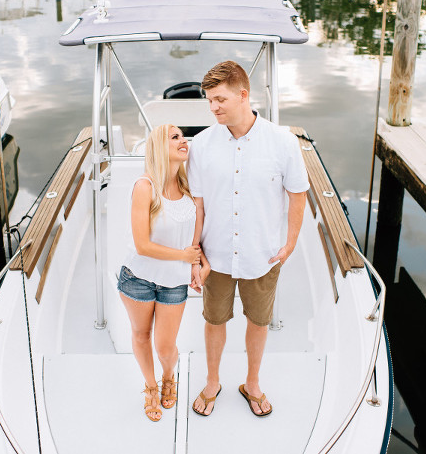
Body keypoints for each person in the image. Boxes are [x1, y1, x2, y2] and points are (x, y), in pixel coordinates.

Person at [187, 60, 309, 417]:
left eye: (220, 99)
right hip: (217, 255)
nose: (213, 107)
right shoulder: (202, 145)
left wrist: (290, 243)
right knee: (214, 321)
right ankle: (213, 381)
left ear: (244, 95)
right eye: (209, 100)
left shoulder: (283, 143)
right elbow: (199, 205)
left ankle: (251, 383)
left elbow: (297, 194)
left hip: (263, 255)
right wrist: (195, 255)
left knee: (258, 321)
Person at [117, 123, 203, 422]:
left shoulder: (191, 187)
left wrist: (195, 263)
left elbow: (197, 236)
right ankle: (151, 387)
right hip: (138, 278)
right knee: (141, 336)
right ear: (158, 147)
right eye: (175, 137)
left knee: (166, 346)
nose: (183, 141)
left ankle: (168, 376)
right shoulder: (145, 186)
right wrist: (184, 256)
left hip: (174, 283)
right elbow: (142, 245)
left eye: (183, 136)